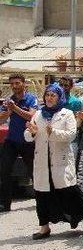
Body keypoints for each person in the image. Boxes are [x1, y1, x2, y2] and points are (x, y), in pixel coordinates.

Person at [25, 83, 83, 239]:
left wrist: (53, 132)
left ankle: (75, 215)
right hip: (42, 161)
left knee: (66, 191)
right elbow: (28, 134)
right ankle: (44, 227)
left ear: (59, 97)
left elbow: (71, 135)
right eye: (47, 95)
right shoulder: (38, 114)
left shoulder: (67, 113)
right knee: (41, 194)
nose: (49, 98)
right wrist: (33, 133)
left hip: (60, 159)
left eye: (53, 95)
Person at [0, 74, 37, 213]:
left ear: (23, 84)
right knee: (4, 170)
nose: (14, 86)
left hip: (27, 140)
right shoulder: (9, 101)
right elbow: (1, 120)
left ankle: (42, 199)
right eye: (12, 84)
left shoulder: (31, 98)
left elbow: (32, 116)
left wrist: (15, 109)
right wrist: (9, 111)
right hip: (11, 140)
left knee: (33, 171)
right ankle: (4, 204)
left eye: (17, 83)